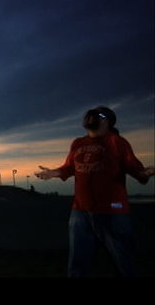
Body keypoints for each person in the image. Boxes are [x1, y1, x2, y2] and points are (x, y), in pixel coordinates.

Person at [35, 106, 155, 277]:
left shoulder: (116, 142)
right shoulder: (78, 143)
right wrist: (53, 173)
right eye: (87, 115)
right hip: (81, 211)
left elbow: (136, 169)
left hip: (112, 210)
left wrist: (147, 173)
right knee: (78, 261)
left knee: (123, 260)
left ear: (106, 121)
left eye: (95, 115)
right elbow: (70, 167)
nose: (88, 117)